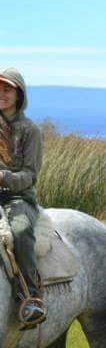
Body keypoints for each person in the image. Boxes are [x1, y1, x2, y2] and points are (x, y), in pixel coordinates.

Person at [0, 68, 46, 327]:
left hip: (18, 198)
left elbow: (30, 174)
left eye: (7, 89)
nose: (1, 94)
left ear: (19, 95)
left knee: (19, 232)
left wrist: (4, 177)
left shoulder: (31, 131)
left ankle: (31, 296)